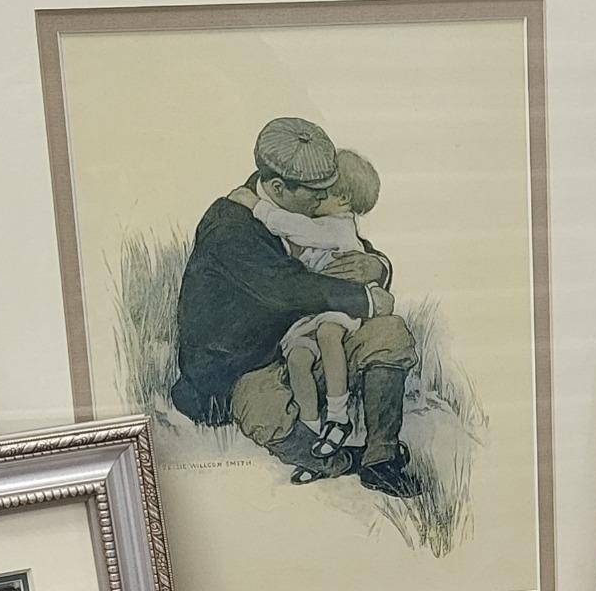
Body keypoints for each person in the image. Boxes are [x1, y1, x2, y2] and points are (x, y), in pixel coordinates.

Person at [169, 118, 422, 497]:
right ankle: (341, 461)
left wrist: (377, 266)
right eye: (319, 194)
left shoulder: (299, 206)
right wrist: (367, 300)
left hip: (309, 341)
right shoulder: (230, 225)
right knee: (266, 414)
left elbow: (343, 244)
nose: (327, 200)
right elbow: (288, 289)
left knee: (390, 333)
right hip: (248, 367)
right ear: (278, 188)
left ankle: (380, 459)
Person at [256, 148, 382, 470]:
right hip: (311, 313)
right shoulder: (323, 220)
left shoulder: (336, 226)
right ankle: (312, 433)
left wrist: (257, 207)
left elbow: (294, 228)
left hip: (340, 307)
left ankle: (338, 418)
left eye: (321, 193)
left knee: (328, 334)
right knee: (298, 359)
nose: (314, 198)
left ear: (341, 199)